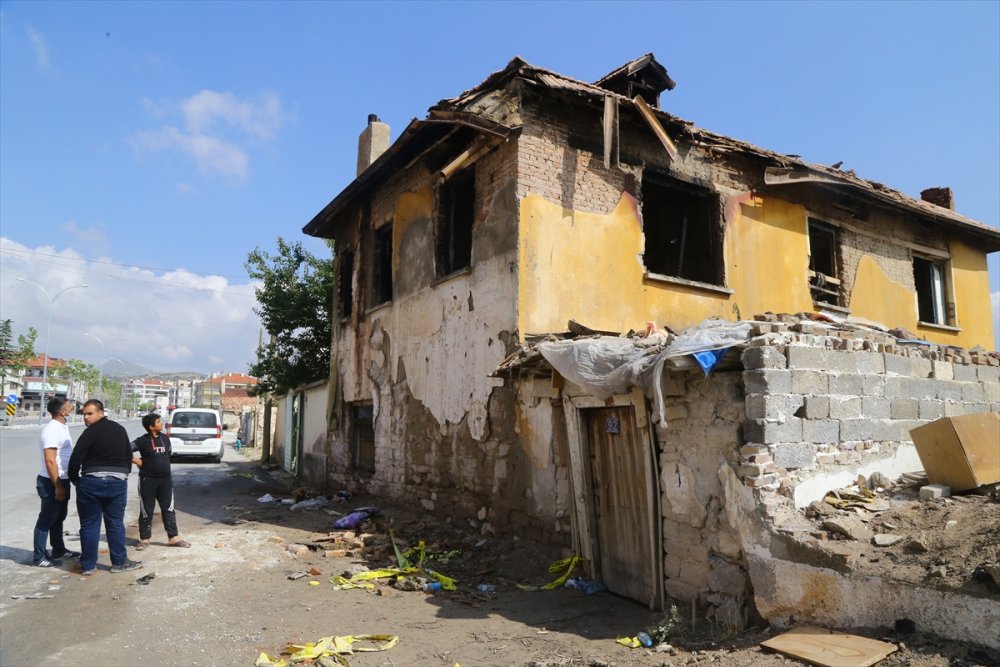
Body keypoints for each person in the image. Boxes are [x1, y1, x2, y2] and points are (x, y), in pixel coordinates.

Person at [67, 399, 142, 575]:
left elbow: (76, 458)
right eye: (84, 414)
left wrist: (75, 479)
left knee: (89, 525)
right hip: (117, 482)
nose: (86, 417)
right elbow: (127, 455)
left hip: (91, 482)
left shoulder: (89, 433)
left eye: (89, 413)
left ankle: (88, 565)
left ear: (101, 413)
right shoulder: (119, 430)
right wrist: (123, 475)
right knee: (115, 523)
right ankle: (119, 562)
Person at [33, 397, 81, 567]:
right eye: (69, 406)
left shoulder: (62, 427)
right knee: (46, 519)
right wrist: (58, 486)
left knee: (59, 517)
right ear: (62, 412)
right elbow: (50, 461)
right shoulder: (52, 430)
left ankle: (59, 549)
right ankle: (39, 557)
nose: (72, 407)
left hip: (63, 479)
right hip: (51, 481)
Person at [131, 413, 190, 550]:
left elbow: (167, 454)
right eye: (158, 421)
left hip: (165, 480)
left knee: (168, 508)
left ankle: (173, 537)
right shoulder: (142, 441)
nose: (161, 423)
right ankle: (144, 539)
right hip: (147, 480)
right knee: (146, 509)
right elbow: (124, 450)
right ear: (151, 427)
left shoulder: (165, 438)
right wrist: (137, 461)